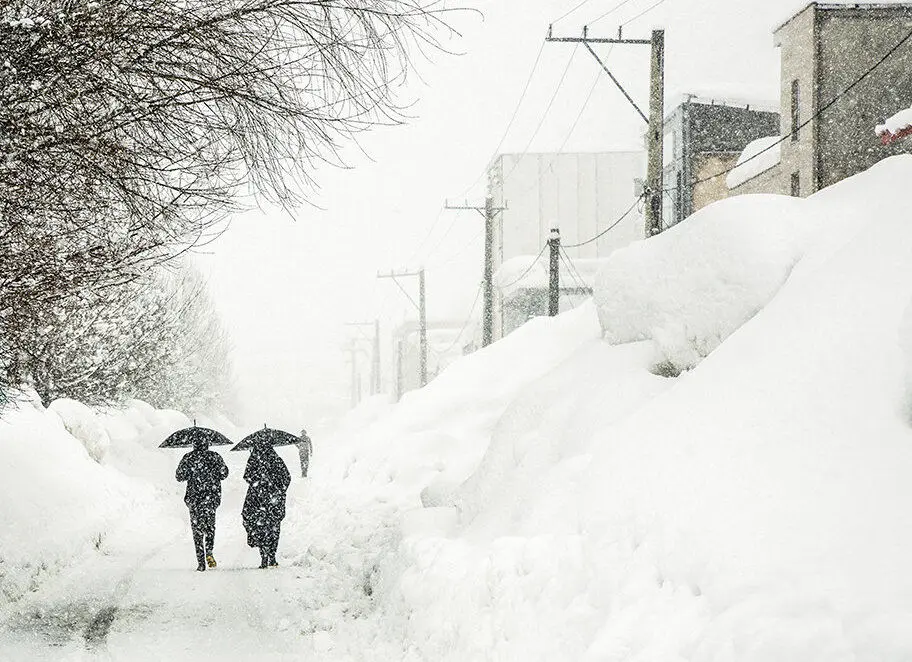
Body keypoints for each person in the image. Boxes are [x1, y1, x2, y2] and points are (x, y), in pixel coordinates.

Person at [175, 438, 229, 572]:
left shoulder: (189, 458)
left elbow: (179, 476)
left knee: (197, 529)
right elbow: (224, 474)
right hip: (211, 498)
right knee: (210, 526)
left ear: (194, 444)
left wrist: (190, 472)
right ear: (208, 444)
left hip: (194, 499)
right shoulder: (214, 457)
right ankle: (209, 551)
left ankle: (200, 562)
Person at [242, 441, 291, 568]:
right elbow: (287, 477)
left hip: (257, 500)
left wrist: (257, 483)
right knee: (274, 527)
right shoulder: (277, 459)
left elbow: (246, 477)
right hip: (274, 500)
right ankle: (272, 556)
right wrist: (280, 490)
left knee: (260, 527)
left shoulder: (253, 459)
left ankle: (263, 556)